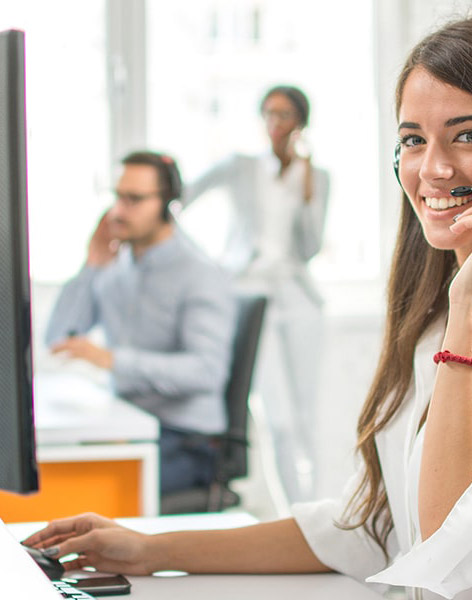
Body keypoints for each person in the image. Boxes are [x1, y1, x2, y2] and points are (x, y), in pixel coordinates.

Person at [25, 13, 472, 600]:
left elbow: (454, 547)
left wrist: (471, 307)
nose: (431, 169)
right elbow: (377, 528)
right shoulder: (437, 322)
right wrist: (152, 551)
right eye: (412, 139)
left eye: (467, 135)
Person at [45, 150, 237, 495]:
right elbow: (58, 339)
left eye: (134, 199)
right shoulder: (117, 266)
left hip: (185, 441)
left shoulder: (200, 274)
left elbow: (207, 371)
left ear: (167, 205)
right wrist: (91, 265)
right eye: (118, 197)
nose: (119, 211)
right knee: (51, 472)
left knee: (81, 492)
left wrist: (113, 360)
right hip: (127, 425)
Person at [181, 85, 330, 502]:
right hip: (249, 293)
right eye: (268, 114)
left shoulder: (316, 177)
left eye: (283, 115)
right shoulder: (240, 167)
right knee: (276, 417)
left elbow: (310, 247)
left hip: (297, 296)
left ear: (300, 123)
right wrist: (212, 266)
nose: (274, 124)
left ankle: (313, 509)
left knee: (305, 416)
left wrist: (306, 191)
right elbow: (182, 198)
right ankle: (290, 514)